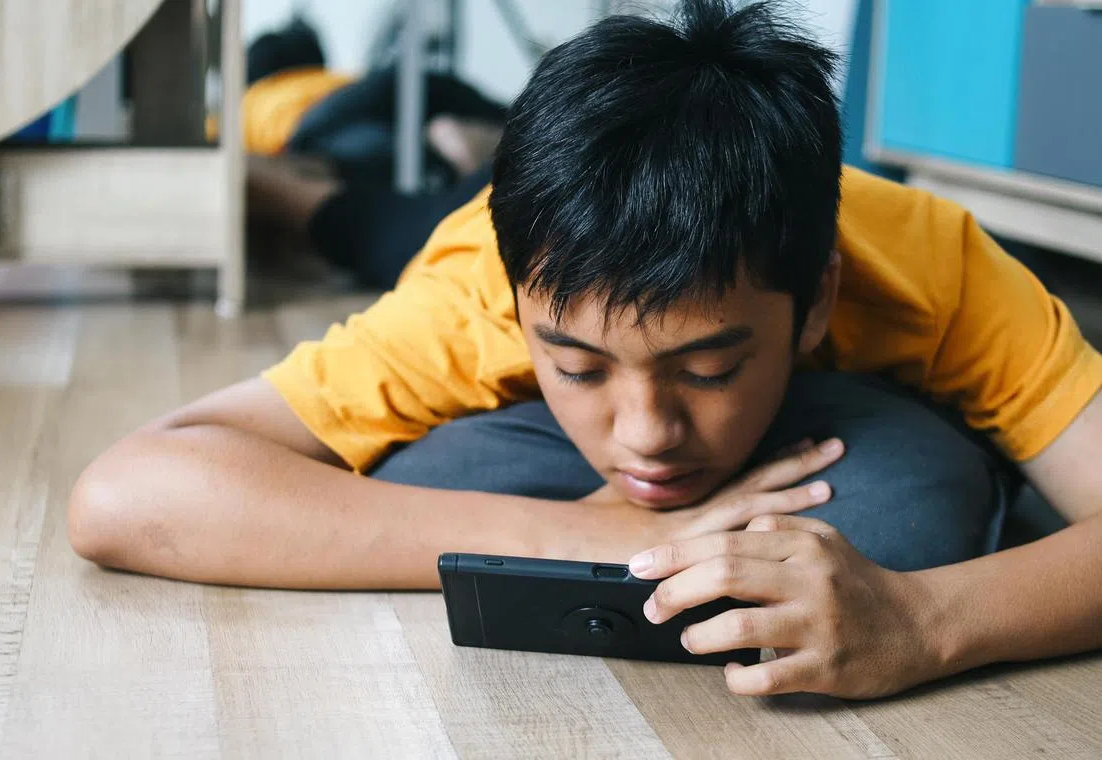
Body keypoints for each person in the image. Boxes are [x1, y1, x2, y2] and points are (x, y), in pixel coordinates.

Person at [67, 0, 1102, 700]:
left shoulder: (935, 267)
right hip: (438, 201)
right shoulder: (474, 290)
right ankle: (307, 168)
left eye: (708, 369)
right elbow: (124, 494)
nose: (646, 435)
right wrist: (599, 533)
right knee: (357, 208)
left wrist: (926, 622)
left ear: (818, 297)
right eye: (577, 369)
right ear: (521, 310)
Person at [243, 16, 504, 288]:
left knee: (339, 167)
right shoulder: (332, 78)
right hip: (388, 84)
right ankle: (480, 136)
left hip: (318, 130)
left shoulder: (251, 100)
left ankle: (440, 160)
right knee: (504, 120)